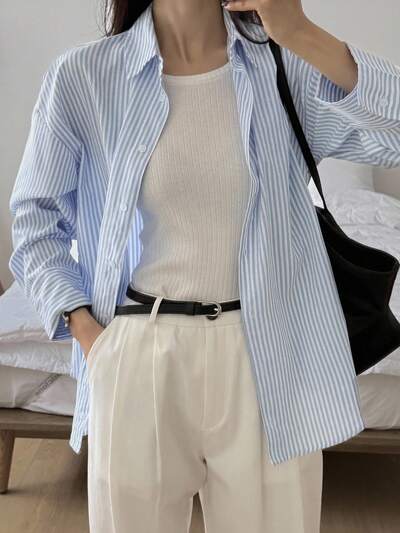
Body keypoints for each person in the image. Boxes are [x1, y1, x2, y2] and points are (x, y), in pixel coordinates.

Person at [9, 0, 400, 531]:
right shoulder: (84, 76)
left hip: (267, 355)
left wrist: (301, 32)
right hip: (137, 352)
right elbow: (36, 220)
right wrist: (91, 339)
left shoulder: (283, 64)